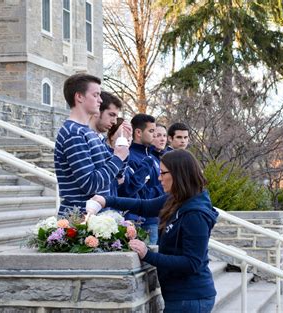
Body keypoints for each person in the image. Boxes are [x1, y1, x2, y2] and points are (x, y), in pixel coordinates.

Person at [90, 150, 218, 313]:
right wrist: (106, 200)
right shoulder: (176, 199)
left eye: (163, 173)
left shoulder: (195, 215)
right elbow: (144, 206)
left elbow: (192, 263)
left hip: (190, 299)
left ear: (179, 174)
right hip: (180, 297)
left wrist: (148, 255)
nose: (159, 178)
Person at [54, 74, 129, 216]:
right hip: (79, 222)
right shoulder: (73, 133)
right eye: (96, 95)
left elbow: (118, 176)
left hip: (97, 219)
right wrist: (118, 157)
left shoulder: (88, 132)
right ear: (79, 97)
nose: (100, 100)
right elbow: (90, 184)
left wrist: (122, 144)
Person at [125, 113, 164, 244]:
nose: (155, 135)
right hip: (138, 219)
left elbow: (156, 183)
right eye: (151, 131)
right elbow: (135, 189)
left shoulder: (153, 156)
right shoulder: (130, 156)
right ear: (138, 132)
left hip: (155, 217)